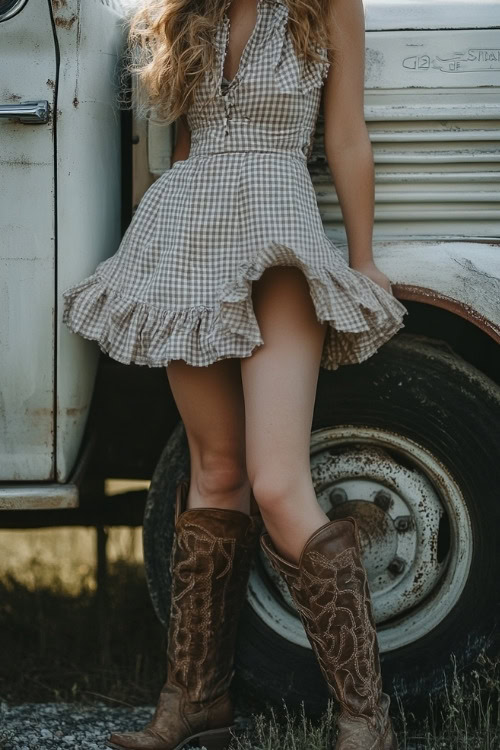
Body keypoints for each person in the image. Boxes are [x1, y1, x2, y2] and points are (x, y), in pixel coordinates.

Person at [62, 0, 408, 746]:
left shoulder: (326, 5)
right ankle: (195, 701)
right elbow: (182, 148)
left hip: (277, 226)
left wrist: (363, 256)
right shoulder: (189, 11)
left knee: (279, 484)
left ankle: (364, 716)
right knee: (216, 471)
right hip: (187, 232)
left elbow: (345, 134)